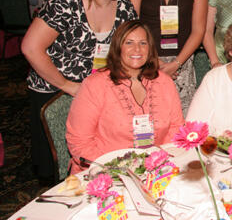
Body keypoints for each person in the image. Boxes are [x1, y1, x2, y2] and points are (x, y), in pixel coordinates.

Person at [21, 0, 137, 182]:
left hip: (95, 92)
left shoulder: (124, 7)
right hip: (52, 89)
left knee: (92, 159)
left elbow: (128, 51)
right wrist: (68, 86)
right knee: (56, 165)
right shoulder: (66, 1)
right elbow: (31, 48)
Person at [66, 20, 184, 173]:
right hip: (105, 172)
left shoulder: (164, 82)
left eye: (143, 43)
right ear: (117, 48)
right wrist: (116, 169)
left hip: (156, 170)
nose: (137, 49)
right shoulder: (95, 85)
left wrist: (158, 162)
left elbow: (176, 129)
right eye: (129, 43)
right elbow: (79, 142)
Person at [124, 0, 208, 114]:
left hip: (182, 63)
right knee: (145, 118)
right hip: (144, 60)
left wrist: (176, 64)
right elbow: (128, 27)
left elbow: (199, 31)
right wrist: (153, 60)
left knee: (181, 121)